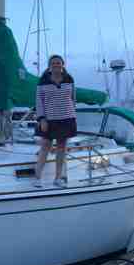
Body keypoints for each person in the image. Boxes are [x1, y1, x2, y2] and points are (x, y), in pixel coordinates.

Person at [33, 54, 77, 187]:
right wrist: (42, 119)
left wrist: (72, 114)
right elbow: (39, 102)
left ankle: (58, 178)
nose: (56, 65)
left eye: (59, 63)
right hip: (49, 120)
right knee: (45, 146)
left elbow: (73, 99)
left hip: (66, 118)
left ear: (63, 65)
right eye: (54, 63)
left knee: (61, 148)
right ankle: (37, 177)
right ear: (49, 66)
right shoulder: (43, 81)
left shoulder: (69, 79)